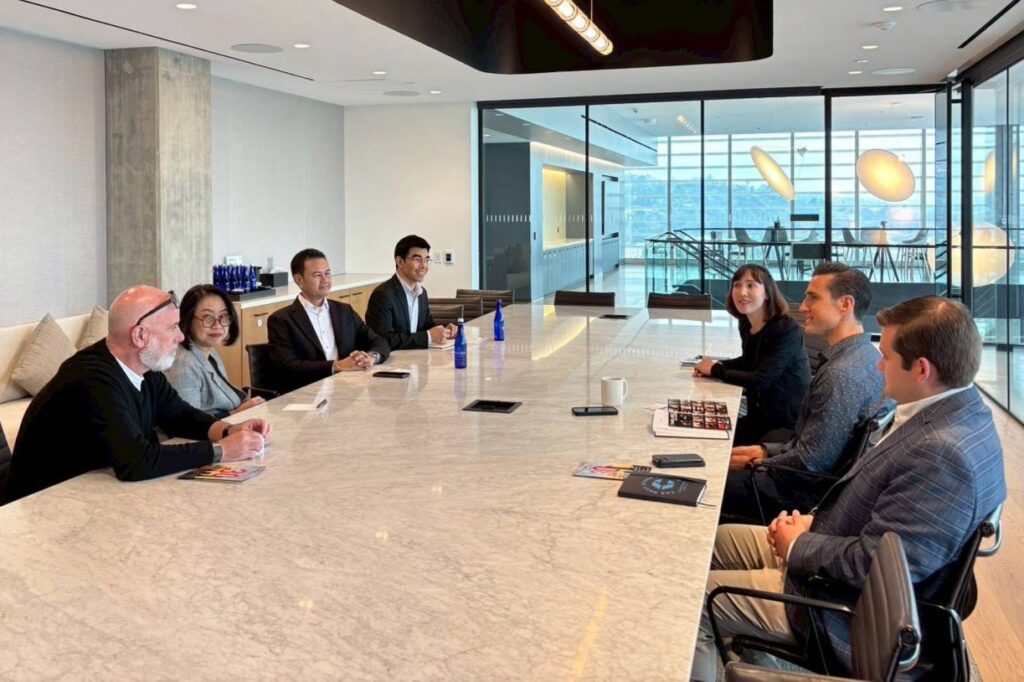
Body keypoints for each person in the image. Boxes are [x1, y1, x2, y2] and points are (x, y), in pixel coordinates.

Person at [691, 296, 1006, 681]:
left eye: (886, 357)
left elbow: (875, 566)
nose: (878, 365)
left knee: (692, 601)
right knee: (718, 542)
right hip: (828, 546)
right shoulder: (957, 414)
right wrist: (812, 524)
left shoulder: (943, 454)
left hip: (837, 608)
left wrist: (798, 545)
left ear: (922, 369)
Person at [5, 286, 270, 502]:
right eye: (172, 328)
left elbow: (179, 415)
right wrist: (222, 451)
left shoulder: (145, 367)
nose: (181, 337)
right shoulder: (91, 379)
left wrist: (227, 431)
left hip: (90, 494)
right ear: (140, 335)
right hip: (41, 504)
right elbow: (136, 461)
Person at [719, 262, 887, 524]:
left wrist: (762, 460)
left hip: (795, 496)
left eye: (813, 298)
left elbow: (811, 463)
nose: (803, 307)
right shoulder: (867, 356)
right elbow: (815, 448)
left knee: (706, 476)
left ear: (845, 304)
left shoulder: (840, 376)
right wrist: (766, 451)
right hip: (802, 475)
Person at [695, 264, 810, 445]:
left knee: (711, 441)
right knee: (701, 432)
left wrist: (715, 370)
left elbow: (760, 380)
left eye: (751, 285)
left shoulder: (786, 329)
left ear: (767, 293)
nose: (742, 292)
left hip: (784, 425)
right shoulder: (746, 323)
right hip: (758, 415)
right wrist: (716, 366)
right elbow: (749, 361)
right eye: (737, 285)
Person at [267, 248, 390, 394]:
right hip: (307, 394)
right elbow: (287, 366)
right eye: (317, 275)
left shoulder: (344, 311)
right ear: (299, 280)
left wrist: (372, 357)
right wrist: (336, 366)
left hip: (346, 390)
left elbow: (378, 341)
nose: (325, 280)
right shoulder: (281, 320)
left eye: (327, 273)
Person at [164, 284, 266, 418]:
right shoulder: (183, 365)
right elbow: (187, 423)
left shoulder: (209, 350)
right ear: (188, 318)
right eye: (208, 317)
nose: (217, 325)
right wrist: (237, 413)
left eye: (223, 316)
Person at [365, 235, 457, 350]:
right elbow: (383, 340)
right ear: (400, 262)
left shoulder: (422, 293)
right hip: (393, 359)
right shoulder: (383, 295)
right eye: (418, 259)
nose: (424, 266)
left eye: (426, 260)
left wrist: (444, 331)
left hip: (415, 356)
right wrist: (428, 337)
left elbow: (426, 327)